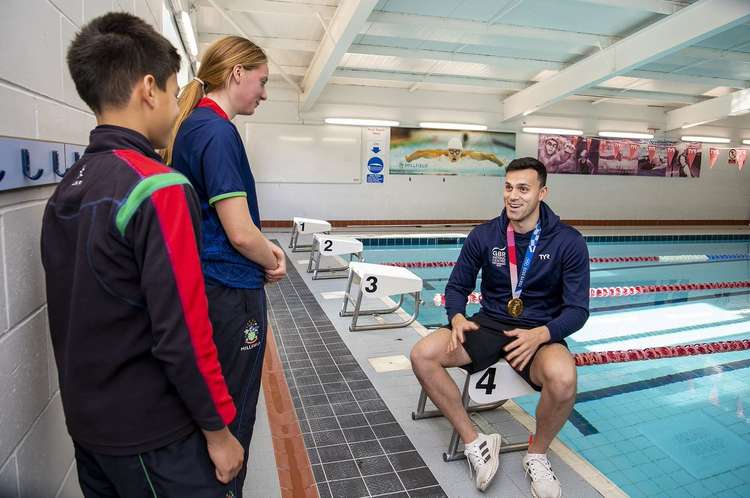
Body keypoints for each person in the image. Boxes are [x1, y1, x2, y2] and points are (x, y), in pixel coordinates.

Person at [42, 13, 243, 497]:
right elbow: (183, 331)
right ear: (148, 89)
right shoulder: (159, 187)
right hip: (152, 434)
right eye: (175, 94)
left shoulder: (67, 188)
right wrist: (219, 431)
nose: (176, 109)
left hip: (88, 427)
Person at [410, 157, 590, 496]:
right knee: (423, 354)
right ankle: (476, 441)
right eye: (508, 187)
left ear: (542, 192)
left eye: (523, 188)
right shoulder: (485, 234)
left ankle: (536, 455)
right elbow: (456, 287)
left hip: (538, 332)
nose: (513, 196)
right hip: (489, 324)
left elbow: (578, 310)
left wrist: (543, 334)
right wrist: (458, 317)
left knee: (564, 378)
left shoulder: (568, 242)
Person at [164, 35, 287, 497]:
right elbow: (238, 230)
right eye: (262, 81)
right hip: (230, 290)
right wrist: (273, 257)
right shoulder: (216, 130)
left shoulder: (192, 126)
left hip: (208, 285)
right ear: (237, 74)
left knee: (214, 400)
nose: (264, 92)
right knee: (234, 405)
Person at [405, 137, 505, 166]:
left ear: (461, 152)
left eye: (457, 152)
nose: (454, 154)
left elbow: (490, 156)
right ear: (447, 151)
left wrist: (501, 164)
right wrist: (408, 160)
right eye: (451, 151)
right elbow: (420, 152)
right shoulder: (440, 153)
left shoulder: (468, 155)